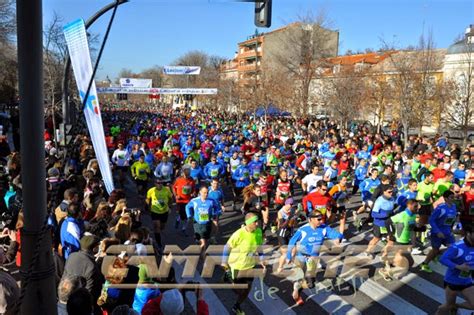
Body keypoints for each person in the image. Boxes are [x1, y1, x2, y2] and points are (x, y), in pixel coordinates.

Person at [286, 210, 344, 305]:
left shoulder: (323, 228)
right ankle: (298, 291)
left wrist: (339, 238)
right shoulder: (303, 230)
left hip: (313, 259)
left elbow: (336, 234)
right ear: (311, 219)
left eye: (322, 219)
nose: (321, 221)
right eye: (319, 219)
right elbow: (292, 241)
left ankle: (297, 285)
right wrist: (289, 255)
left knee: (311, 284)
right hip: (303, 258)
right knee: (309, 280)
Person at [222, 213, 264, 315]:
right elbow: (227, 247)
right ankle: (228, 278)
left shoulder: (258, 232)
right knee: (238, 291)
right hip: (236, 266)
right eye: (255, 222)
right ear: (248, 223)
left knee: (247, 289)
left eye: (257, 221)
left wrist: (262, 258)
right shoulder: (239, 234)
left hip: (250, 266)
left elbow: (259, 246)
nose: (257, 224)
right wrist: (224, 262)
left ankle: (237, 306)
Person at [436, 222, 474, 314]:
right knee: (448, 306)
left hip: (467, 281)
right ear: (468, 233)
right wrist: (458, 266)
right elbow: (442, 259)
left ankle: (456, 306)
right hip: (452, 282)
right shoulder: (457, 247)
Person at [62, 234, 104, 310]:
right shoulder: (91, 266)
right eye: (98, 245)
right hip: (80, 306)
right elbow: (90, 292)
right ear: (94, 248)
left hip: (64, 299)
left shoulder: (71, 256)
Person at [420, 190, 458, 273]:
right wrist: (437, 231)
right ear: (445, 198)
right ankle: (424, 264)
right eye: (451, 197)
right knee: (435, 250)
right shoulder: (440, 208)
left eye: (453, 197)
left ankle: (437, 255)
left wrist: (451, 228)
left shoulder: (454, 206)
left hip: (448, 232)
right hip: (437, 232)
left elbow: (453, 218)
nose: (453, 199)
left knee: (453, 248)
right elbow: (431, 220)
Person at [186, 186, 219, 259]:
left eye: (207, 193)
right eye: (204, 193)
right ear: (200, 192)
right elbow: (187, 207)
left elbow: (216, 208)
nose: (206, 194)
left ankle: (200, 252)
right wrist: (189, 216)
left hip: (207, 224)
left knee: (205, 242)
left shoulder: (211, 201)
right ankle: (205, 262)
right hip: (198, 224)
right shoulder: (195, 201)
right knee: (203, 243)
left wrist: (215, 214)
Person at [146, 179, 173, 250]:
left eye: (161, 183)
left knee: (162, 227)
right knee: (156, 227)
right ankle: (158, 243)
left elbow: (170, 199)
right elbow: (148, 200)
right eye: (158, 183)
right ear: (155, 183)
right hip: (155, 212)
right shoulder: (151, 191)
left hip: (164, 212)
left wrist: (170, 207)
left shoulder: (167, 190)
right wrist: (148, 208)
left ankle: (158, 232)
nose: (159, 184)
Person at [172, 168, 196, 235]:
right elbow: (173, 187)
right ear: (183, 174)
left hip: (188, 200)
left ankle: (184, 228)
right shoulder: (179, 179)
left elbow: (194, 189)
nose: (186, 177)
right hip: (180, 200)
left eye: (188, 175)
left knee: (186, 215)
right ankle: (178, 220)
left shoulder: (191, 180)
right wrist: (176, 195)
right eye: (185, 175)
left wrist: (193, 193)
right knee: (181, 213)